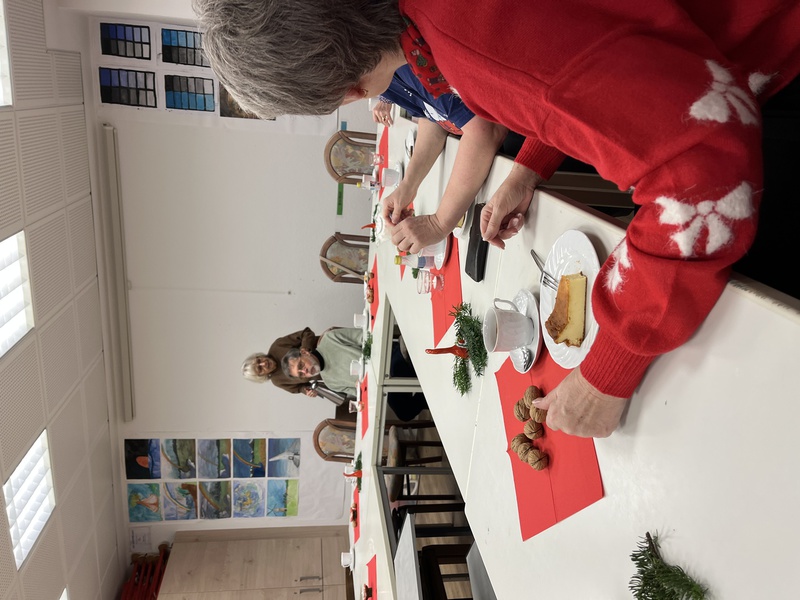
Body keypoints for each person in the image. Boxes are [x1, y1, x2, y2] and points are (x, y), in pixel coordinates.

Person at [194, 0, 800, 437]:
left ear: (350, 90)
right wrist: (530, 165)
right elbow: (595, 57)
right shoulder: (436, 30)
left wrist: (607, 370)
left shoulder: (469, 45)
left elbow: (704, 176)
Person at [372, 65, 510, 252]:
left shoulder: (404, 65)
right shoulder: (384, 79)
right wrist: (408, 185)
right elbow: (433, 117)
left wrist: (438, 224)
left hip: (518, 129)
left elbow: (486, 131)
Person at [281, 327, 427, 421]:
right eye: (301, 374)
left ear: (304, 352)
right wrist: (362, 389)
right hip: (382, 382)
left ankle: (427, 381)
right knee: (404, 413)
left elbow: (368, 338)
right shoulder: (329, 382)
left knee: (400, 371)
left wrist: (371, 365)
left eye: (301, 365)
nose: (305, 371)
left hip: (387, 358)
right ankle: (430, 391)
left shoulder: (329, 339)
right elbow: (362, 395)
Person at [241, 327, 318, 396]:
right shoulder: (277, 381)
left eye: (259, 360)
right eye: (260, 368)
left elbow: (306, 332)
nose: (264, 363)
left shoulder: (277, 346)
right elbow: (299, 388)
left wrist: (305, 348)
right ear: (261, 376)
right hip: (323, 373)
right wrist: (307, 391)